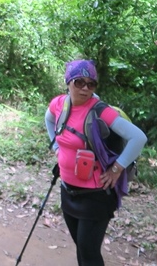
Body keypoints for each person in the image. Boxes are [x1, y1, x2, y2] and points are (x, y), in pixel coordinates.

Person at [44, 59, 147, 266]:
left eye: (91, 84)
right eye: (79, 82)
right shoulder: (59, 104)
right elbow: (48, 119)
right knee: (82, 249)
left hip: (96, 194)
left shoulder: (100, 111)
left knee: (89, 252)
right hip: (68, 190)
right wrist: (56, 147)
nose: (85, 88)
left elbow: (139, 138)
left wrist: (117, 169)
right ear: (68, 82)